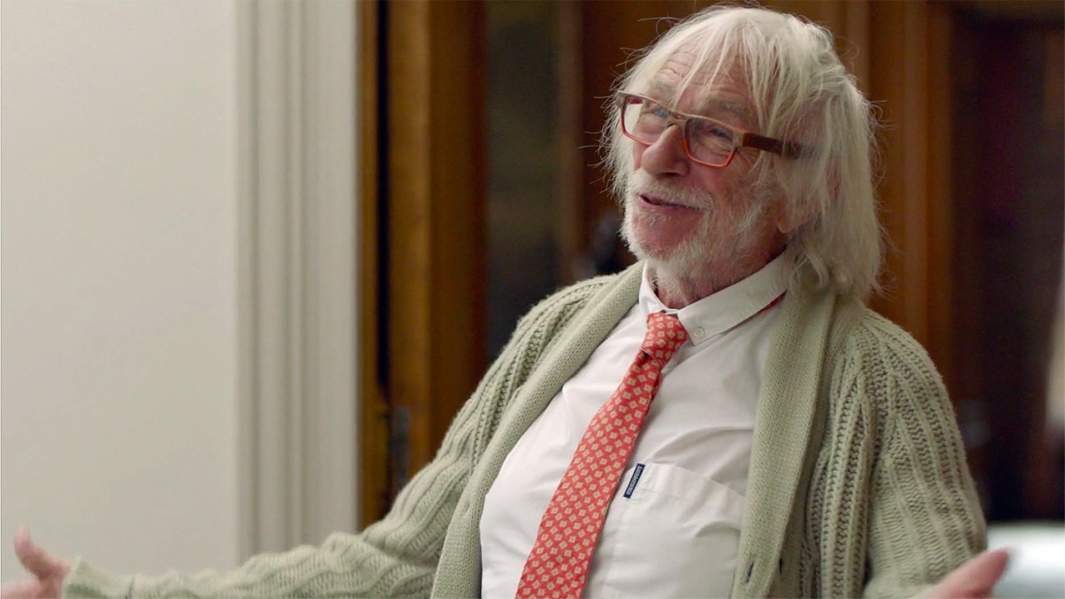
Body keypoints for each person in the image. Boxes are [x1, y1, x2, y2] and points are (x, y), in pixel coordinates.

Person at [4, 6, 1008, 599]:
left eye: (713, 133)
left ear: (801, 188)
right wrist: (121, 592)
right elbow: (399, 563)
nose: (658, 155)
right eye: (649, 114)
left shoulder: (876, 378)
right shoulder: (559, 332)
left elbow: (925, 580)